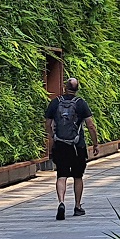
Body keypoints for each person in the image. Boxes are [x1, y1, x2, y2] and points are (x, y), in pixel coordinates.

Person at [44, 77, 99, 220]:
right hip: (77, 145)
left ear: (64, 87)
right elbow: (91, 126)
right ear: (77, 89)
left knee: (61, 175)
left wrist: (53, 137)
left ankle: (61, 202)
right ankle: (77, 206)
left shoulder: (55, 102)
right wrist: (95, 143)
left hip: (60, 145)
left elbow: (48, 124)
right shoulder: (81, 103)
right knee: (78, 176)